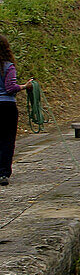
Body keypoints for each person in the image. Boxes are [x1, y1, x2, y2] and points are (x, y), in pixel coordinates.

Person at [0, 35, 33, 187]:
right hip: (7, 107)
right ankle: (3, 173)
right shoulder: (8, 66)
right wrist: (25, 86)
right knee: (7, 140)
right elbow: (10, 88)